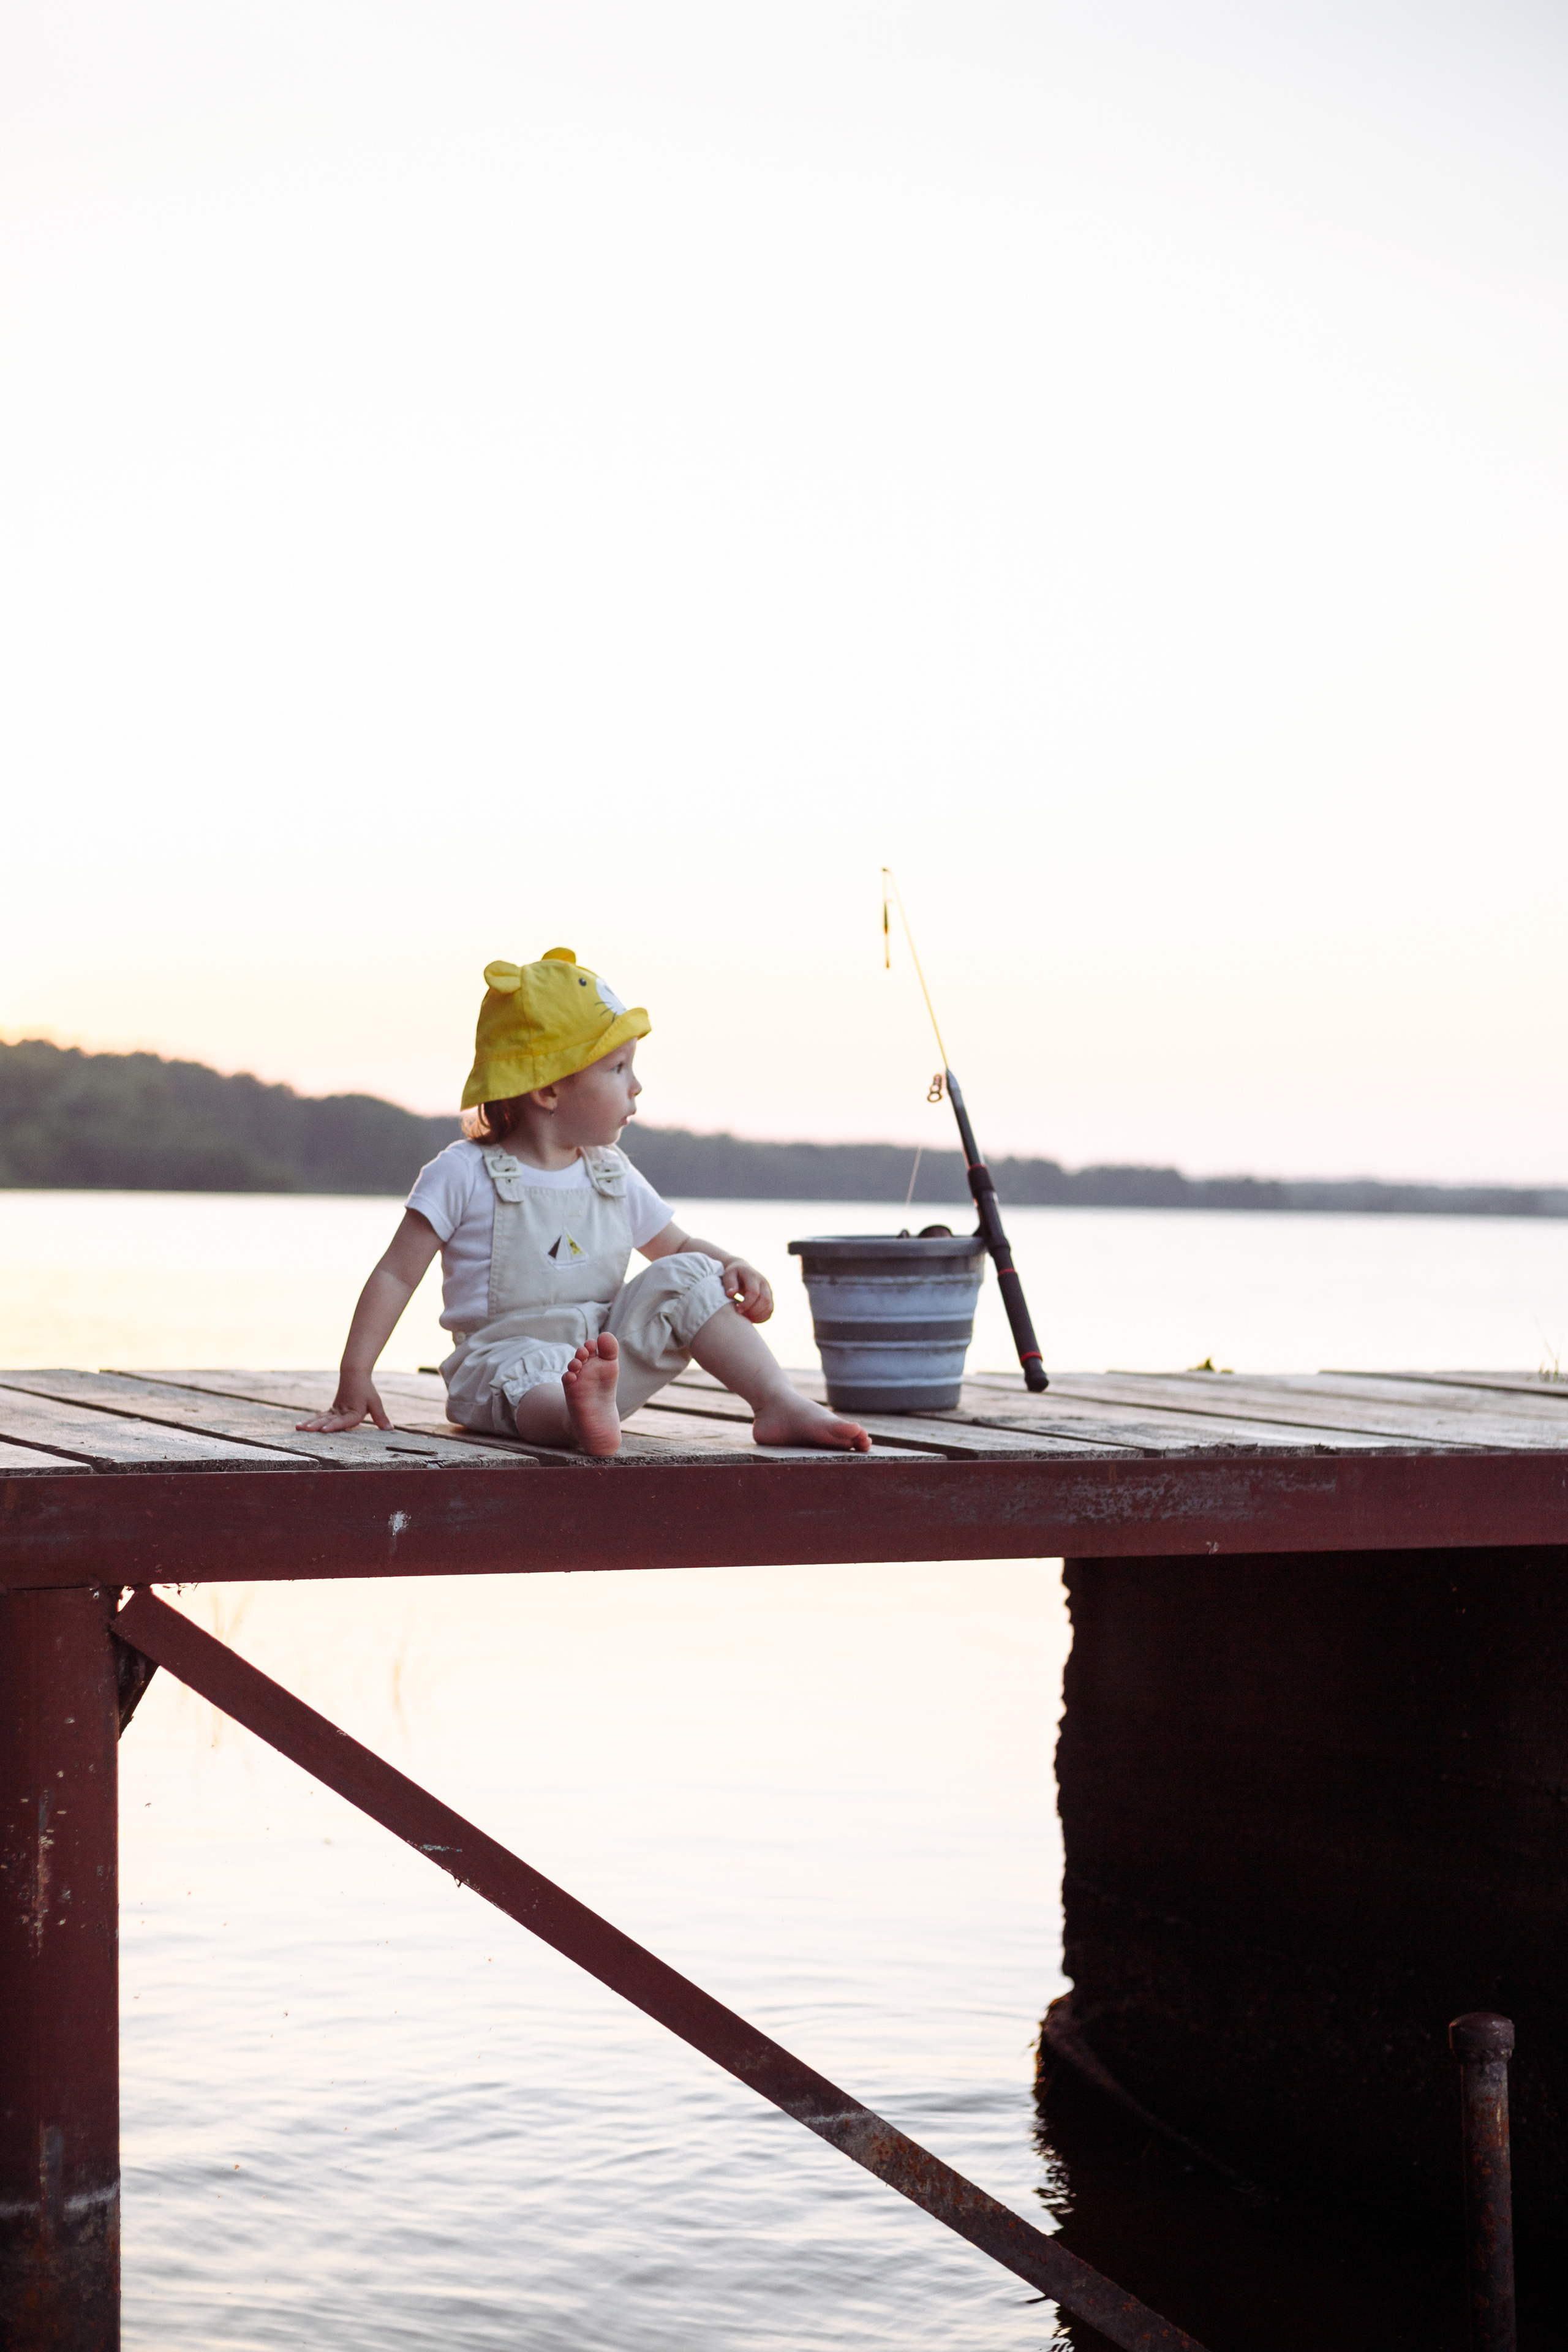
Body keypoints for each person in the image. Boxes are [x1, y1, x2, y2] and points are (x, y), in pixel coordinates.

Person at [299, 948, 871, 1457]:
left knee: (690, 1273)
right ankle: (578, 1417)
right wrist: (356, 1374)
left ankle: (775, 1402)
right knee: (531, 1381)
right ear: (548, 1089)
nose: (636, 1086)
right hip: (502, 1362)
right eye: (617, 1069)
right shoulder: (463, 1172)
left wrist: (729, 1267)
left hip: (601, 1354)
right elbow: (396, 1275)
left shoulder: (611, 1173)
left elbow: (676, 1248)